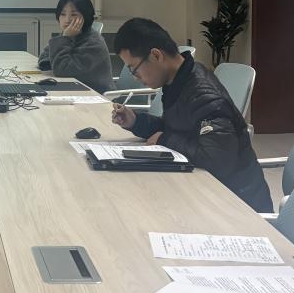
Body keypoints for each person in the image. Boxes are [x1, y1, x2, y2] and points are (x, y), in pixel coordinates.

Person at [110, 18, 271, 212]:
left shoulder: (203, 94)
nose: (136, 78)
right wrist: (136, 122)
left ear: (156, 55)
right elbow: (177, 129)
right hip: (210, 190)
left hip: (238, 204)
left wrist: (165, 139)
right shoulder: (179, 79)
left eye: (134, 69)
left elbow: (217, 159)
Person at [37, 0, 113, 95]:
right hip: (77, 91)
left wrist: (65, 38)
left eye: (74, 14)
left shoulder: (93, 43)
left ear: (85, 17)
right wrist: (64, 39)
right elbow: (43, 58)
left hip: (98, 96)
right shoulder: (71, 35)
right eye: (62, 14)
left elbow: (62, 70)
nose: (67, 20)